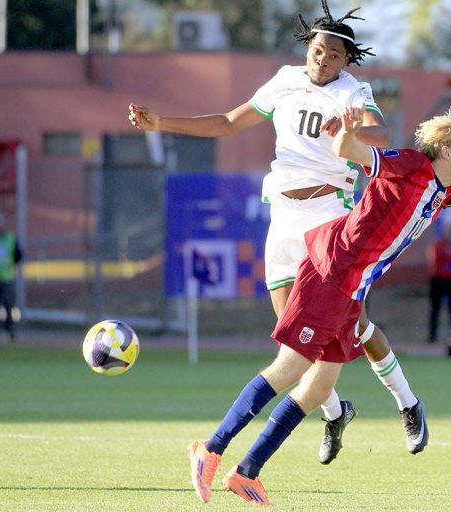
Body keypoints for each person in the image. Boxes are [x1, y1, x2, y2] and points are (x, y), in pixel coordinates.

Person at [187, 107, 451, 506]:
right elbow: (349, 149)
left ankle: (246, 472)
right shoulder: (408, 165)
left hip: (352, 288)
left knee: (318, 387)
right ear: (445, 149)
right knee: (291, 368)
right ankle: (210, 450)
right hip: (330, 271)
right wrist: (350, 132)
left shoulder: (446, 189)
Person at [129, 1, 426, 467]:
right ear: (307, 48)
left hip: (328, 214)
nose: (322, 59)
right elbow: (228, 122)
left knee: (351, 324)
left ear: (346, 61)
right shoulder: (285, 81)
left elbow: (381, 134)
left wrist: (352, 131)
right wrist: (162, 122)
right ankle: (335, 412)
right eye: (318, 50)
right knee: (296, 339)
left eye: (332, 55)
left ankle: (407, 403)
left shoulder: (352, 91)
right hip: (283, 217)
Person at [426, 222, 451, 344]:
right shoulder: (438, 245)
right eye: (449, 231)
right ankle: (432, 337)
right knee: (435, 310)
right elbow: (436, 261)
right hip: (438, 280)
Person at [0, 211, 22, 341]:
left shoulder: (9, 239)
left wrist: (9, 264)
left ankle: (10, 328)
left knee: (8, 304)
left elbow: (18, 255)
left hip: (5, 278)